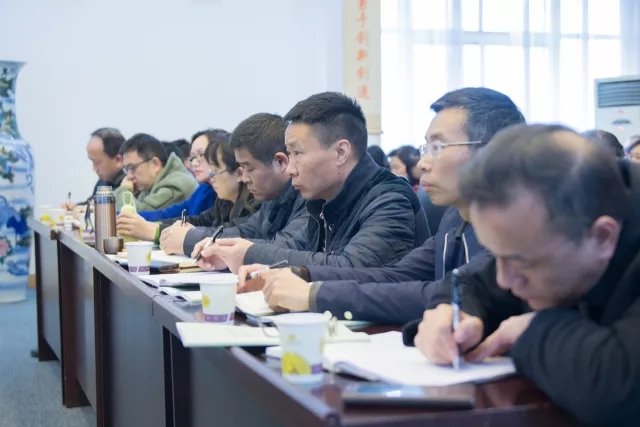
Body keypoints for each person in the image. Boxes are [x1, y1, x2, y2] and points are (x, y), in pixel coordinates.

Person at [410, 124, 640, 426]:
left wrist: (531, 331)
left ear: (602, 237)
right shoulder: (538, 239)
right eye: (497, 256)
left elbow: (619, 389)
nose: (504, 280)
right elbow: (473, 284)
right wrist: (453, 315)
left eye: (521, 262)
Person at [236, 87, 525, 323]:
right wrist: (302, 275)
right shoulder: (455, 219)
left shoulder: (517, 229)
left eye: (438, 148)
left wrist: (313, 295)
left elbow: (447, 294)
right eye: (425, 148)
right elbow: (396, 275)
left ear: (492, 152)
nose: (422, 164)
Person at [194, 91, 429, 273]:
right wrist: (229, 252)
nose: (290, 169)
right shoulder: (324, 200)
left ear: (340, 152)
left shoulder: (391, 201)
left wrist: (250, 254)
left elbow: (351, 268)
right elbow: (292, 249)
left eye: (297, 153)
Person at [181, 113, 309, 256]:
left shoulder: (308, 197)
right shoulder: (272, 197)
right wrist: (194, 237)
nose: (244, 178)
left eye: (250, 168)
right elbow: (246, 231)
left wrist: (190, 239)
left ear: (280, 162)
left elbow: (285, 247)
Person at [158, 131, 260, 253]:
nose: (212, 178)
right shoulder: (223, 202)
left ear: (239, 173)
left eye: (215, 171)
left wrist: (189, 236)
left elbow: (234, 233)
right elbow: (201, 220)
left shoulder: (256, 205)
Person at [115, 129, 227, 241]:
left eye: (201, 155)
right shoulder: (205, 189)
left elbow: (219, 232)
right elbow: (179, 217)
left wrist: (125, 189)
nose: (194, 163)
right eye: (192, 157)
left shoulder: (177, 184)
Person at [114, 133, 197, 211]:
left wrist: (125, 190)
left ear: (155, 164)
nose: (129, 176)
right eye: (126, 169)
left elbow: (139, 215)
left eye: (132, 167)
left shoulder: (175, 186)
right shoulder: (149, 185)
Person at [62, 127, 125, 210]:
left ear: (118, 160)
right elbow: (90, 203)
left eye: (97, 162)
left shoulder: (130, 184)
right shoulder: (103, 182)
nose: (94, 169)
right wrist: (74, 207)